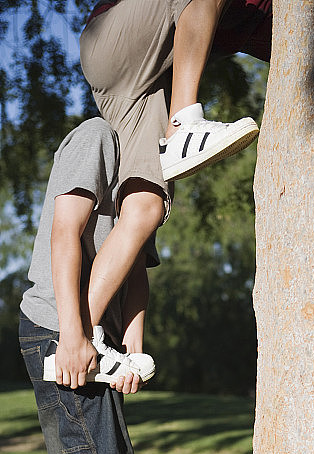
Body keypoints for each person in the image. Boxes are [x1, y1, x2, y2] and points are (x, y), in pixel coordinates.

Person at [76, 0, 272, 390]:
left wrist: (132, 344)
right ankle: (184, 124)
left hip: (147, 83)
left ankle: (81, 338)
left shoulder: (265, 15)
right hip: (112, 41)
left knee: (145, 209)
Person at [19, 117, 155, 454]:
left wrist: (133, 352)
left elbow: (137, 272)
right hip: (62, 329)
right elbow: (65, 231)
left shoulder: (143, 171)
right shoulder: (97, 136)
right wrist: (72, 336)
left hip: (100, 341)